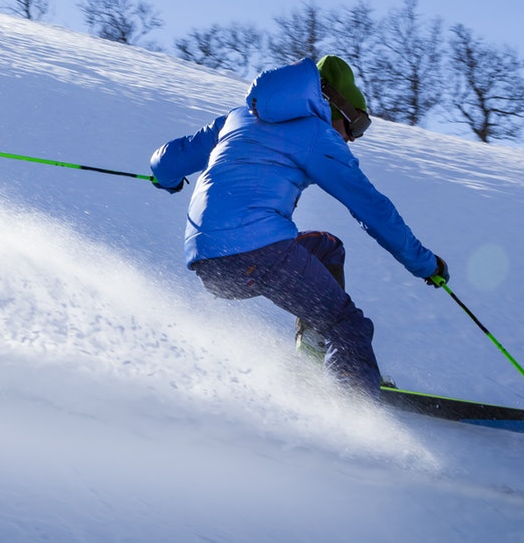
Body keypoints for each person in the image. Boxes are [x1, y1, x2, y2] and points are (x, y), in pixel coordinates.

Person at [150, 55, 448, 398]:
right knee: (347, 325)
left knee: (327, 248)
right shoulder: (316, 135)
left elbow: (167, 160)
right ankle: (354, 405)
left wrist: (168, 179)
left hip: (209, 264)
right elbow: (372, 208)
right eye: (357, 125)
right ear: (337, 107)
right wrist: (425, 264)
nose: (353, 138)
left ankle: (312, 363)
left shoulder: (237, 117)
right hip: (258, 252)